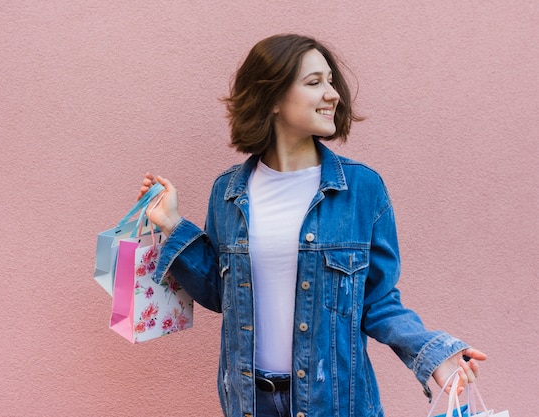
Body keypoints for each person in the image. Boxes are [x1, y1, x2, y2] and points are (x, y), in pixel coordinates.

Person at [138, 34, 486, 417]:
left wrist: (432, 353)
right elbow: (224, 296)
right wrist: (171, 223)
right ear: (271, 98)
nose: (333, 94)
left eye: (331, 81)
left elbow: (378, 301)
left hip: (335, 403)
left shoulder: (361, 189)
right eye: (314, 82)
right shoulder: (228, 191)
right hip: (249, 402)